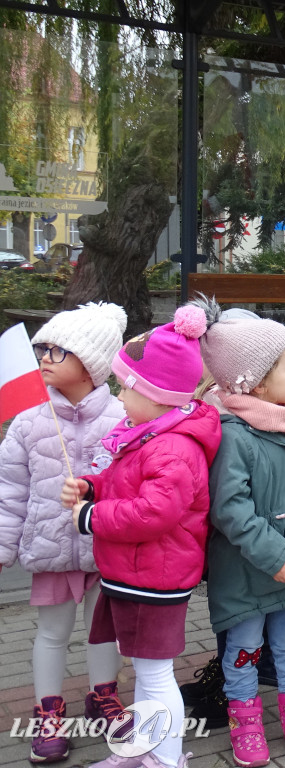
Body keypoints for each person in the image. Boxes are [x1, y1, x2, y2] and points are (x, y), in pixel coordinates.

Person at [59, 305, 222, 768]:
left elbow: (155, 513)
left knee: (154, 675)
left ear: (157, 394)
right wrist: (93, 486)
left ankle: (165, 759)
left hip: (154, 577)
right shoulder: (144, 433)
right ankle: (148, 751)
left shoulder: (172, 445)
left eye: (126, 386)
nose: (119, 393)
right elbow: (125, 483)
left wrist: (91, 516)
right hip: (135, 572)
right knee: (147, 673)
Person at [195, 300, 285, 767]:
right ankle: (247, 725)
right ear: (255, 382)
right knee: (243, 652)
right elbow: (230, 509)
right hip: (249, 572)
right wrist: (273, 553)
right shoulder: (233, 434)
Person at [0, 303, 127, 765]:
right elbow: (9, 490)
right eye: (43, 349)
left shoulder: (122, 418)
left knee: (104, 633)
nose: (46, 358)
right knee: (51, 634)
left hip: (105, 548)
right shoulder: (29, 423)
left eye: (59, 350)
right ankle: (48, 710)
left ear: (92, 364)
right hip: (49, 549)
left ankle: (104, 695)